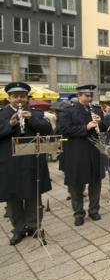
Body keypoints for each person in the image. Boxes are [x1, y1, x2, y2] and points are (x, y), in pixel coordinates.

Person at [0, 82, 52, 245]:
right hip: (10, 162)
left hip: (31, 161)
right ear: (9, 98)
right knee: (13, 197)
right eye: (15, 96)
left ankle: (34, 225)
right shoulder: (2, 114)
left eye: (22, 96)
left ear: (27, 97)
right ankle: (18, 229)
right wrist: (11, 124)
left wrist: (31, 120)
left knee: (33, 195)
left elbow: (48, 130)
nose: (19, 99)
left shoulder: (35, 113)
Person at [58, 85, 106, 226]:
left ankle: (94, 210)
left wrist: (100, 122)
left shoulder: (96, 110)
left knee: (95, 182)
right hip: (77, 152)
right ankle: (79, 213)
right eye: (86, 96)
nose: (89, 98)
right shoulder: (68, 111)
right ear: (79, 96)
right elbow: (64, 129)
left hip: (94, 151)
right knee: (76, 184)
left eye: (91, 95)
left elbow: (104, 128)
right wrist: (85, 127)